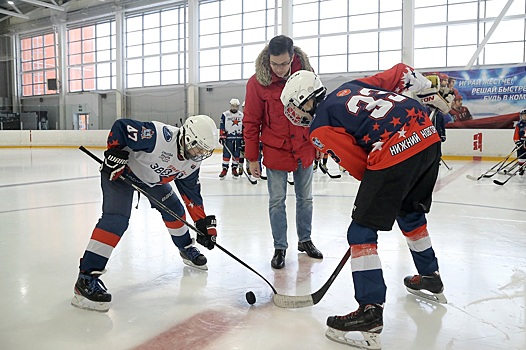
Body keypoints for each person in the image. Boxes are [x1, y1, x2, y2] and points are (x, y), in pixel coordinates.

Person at [280, 63, 449, 349]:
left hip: (395, 149)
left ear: (307, 100)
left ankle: (370, 311)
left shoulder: (320, 125)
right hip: (428, 135)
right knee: (409, 213)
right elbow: (399, 72)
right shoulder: (353, 86)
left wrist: (374, 197)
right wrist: (424, 86)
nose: (295, 115)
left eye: (295, 107)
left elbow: (359, 165)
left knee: (360, 231)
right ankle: (430, 277)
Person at [72, 115, 219, 312]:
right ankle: (86, 278)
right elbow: (121, 127)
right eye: (198, 148)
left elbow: (191, 195)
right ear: (187, 138)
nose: (200, 154)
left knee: (175, 210)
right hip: (121, 172)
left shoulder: (193, 162)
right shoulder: (158, 137)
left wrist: (203, 225)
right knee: (116, 221)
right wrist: (116, 152)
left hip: (151, 180)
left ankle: (186, 248)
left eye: (204, 151)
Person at [243, 34, 323, 269]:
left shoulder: (307, 77)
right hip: (275, 150)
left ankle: (305, 240)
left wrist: (319, 144)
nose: (279, 69)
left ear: (293, 57)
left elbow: (319, 113)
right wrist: (252, 158)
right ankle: (280, 247)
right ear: (268, 59)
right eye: (274, 63)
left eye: (284, 63)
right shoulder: (257, 83)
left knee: (305, 199)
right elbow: (251, 122)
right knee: (277, 201)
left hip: (304, 147)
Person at [219, 98, 244, 179]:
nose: (234, 108)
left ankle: (234, 168)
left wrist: (244, 138)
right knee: (226, 154)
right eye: (233, 106)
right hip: (228, 138)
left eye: (236, 106)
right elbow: (222, 125)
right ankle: (225, 169)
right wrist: (222, 136)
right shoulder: (225, 114)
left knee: (236, 154)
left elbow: (244, 127)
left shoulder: (241, 115)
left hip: (238, 138)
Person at [513, 109, 526, 175]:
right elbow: (516, 135)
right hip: (521, 143)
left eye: (525, 115)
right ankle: (521, 168)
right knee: (521, 157)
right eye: (523, 115)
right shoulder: (519, 124)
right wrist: (517, 142)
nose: (524, 117)